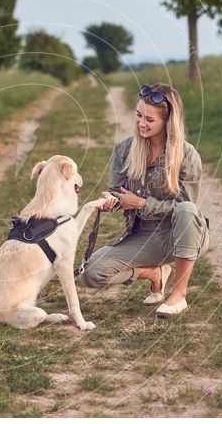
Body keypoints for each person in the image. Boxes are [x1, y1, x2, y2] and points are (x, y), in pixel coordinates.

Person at [77, 83, 210, 316]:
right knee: (91, 273)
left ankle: (179, 294)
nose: (141, 123)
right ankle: (154, 273)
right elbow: (118, 192)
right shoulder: (124, 150)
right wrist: (112, 200)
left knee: (187, 210)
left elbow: (186, 208)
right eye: (139, 115)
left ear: (167, 123)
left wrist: (142, 204)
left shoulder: (187, 155)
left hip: (179, 235)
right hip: (141, 235)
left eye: (149, 119)